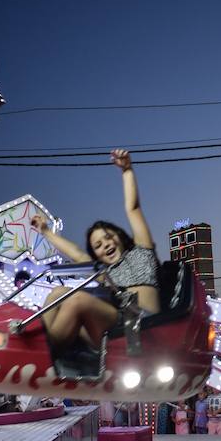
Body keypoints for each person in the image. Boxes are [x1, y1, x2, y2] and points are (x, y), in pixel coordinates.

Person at [30, 149, 160, 349]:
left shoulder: (142, 251)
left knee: (78, 300)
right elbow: (76, 253)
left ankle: (40, 352)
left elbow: (133, 208)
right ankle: (47, 345)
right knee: (58, 292)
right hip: (114, 328)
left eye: (108, 237)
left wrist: (127, 170)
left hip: (145, 326)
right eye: (98, 245)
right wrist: (45, 232)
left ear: (119, 236)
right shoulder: (106, 272)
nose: (106, 245)